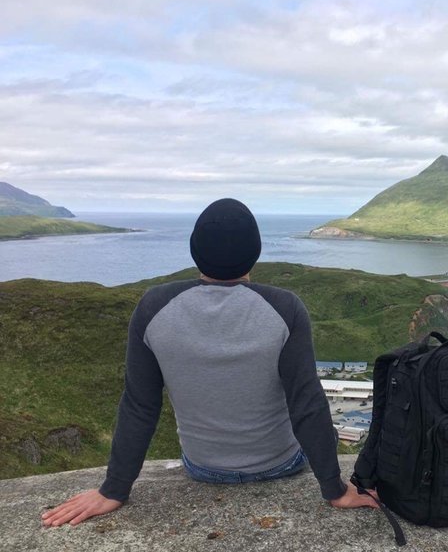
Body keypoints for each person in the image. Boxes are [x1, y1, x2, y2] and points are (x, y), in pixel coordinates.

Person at [42, 198, 376, 527]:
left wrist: (113, 489)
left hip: (203, 468)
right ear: (254, 253)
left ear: (195, 251)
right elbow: (306, 402)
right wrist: (335, 489)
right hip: (281, 464)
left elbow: (139, 405)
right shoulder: (286, 308)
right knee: (328, 432)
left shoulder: (152, 307)